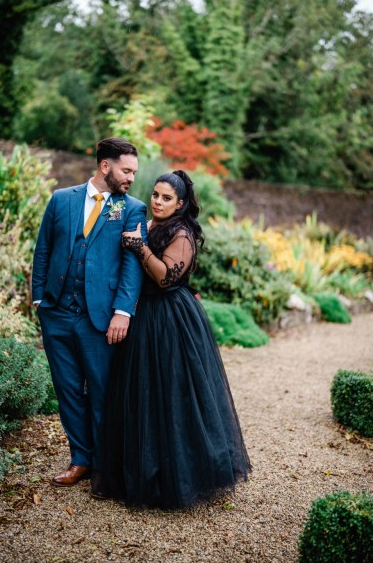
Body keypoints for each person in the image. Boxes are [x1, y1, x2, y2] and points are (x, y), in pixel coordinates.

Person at [91, 170, 251, 509]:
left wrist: (139, 247)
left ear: (180, 203)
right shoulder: (149, 225)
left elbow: (166, 278)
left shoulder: (182, 233)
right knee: (141, 395)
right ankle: (139, 473)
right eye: (156, 195)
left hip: (171, 320)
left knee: (173, 395)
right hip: (143, 316)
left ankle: (176, 477)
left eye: (166, 198)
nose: (158, 202)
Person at [32, 137, 147, 487]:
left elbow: (132, 265)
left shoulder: (131, 208)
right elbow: (43, 251)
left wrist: (123, 312)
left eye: (134, 172)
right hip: (56, 314)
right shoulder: (60, 200)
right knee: (67, 389)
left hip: (100, 318)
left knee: (101, 391)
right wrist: (40, 301)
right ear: (105, 166)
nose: (131, 178)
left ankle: (105, 464)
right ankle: (80, 459)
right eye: (126, 170)